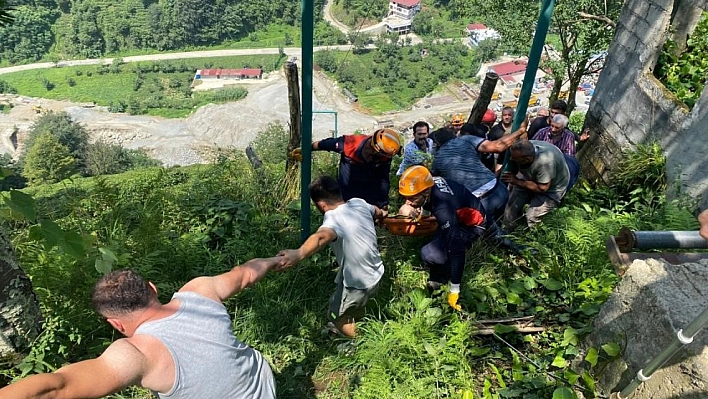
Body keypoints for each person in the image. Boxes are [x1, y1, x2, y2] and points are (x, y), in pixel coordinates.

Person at [0, 258, 285, 399]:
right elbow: (246, 273)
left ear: (114, 323)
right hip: (263, 384)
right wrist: (280, 259)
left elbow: (58, 386)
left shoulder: (135, 354)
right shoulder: (200, 291)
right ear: (152, 288)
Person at [277, 176, 385, 338]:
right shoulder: (359, 203)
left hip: (358, 283)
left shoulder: (332, 218)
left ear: (321, 205)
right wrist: (383, 215)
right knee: (354, 303)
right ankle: (355, 317)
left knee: (335, 316)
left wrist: (297, 254)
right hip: (376, 273)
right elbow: (377, 211)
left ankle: (363, 343)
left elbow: (321, 237)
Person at [397, 166, 492, 311]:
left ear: (426, 192)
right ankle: (436, 278)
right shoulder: (428, 183)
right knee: (436, 243)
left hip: (472, 225)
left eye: (411, 198)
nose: (408, 202)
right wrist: (422, 215)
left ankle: (442, 278)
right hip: (457, 216)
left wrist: (455, 290)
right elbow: (428, 204)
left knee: (430, 254)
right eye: (405, 198)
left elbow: (457, 250)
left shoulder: (443, 208)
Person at [431, 118, 528, 221]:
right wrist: (521, 130)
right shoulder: (466, 139)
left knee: (493, 234)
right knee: (512, 222)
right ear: (454, 135)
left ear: (437, 143)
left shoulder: (437, 160)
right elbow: (498, 146)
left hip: (479, 203)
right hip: (497, 190)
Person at [302, 128, 401, 209]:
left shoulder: (385, 156)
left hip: (369, 198)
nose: (381, 158)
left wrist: (383, 203)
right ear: (375, 150)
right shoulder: (349, 144)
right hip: (346, 196)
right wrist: (305, 150)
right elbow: (323, 144)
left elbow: (383, 179)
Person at [502, 140, 570, 232]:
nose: (511, 159)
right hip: (530, 177)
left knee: (532, 216)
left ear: (526, 159)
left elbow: (542, 188)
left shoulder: (545, 163)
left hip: (552, 189)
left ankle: (534, 237)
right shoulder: (523, 147)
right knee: (512, 205)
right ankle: (507, 230)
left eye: (514, 158)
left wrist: (516, 181)